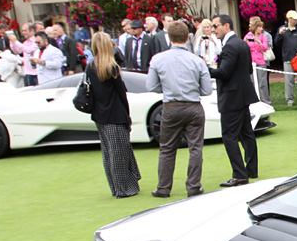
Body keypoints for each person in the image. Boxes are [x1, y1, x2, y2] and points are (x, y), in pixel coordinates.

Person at [146, 20, 212, 199]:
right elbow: (207, 89)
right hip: (193, 106)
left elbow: (151, 85)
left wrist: (168, 88)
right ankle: (193, 186)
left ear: (168, 37)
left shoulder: (158, 59)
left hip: (171, 106)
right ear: (187, 37)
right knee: (195, 148)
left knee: (167, 148)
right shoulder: (197, 60)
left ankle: (163, 187)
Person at [86, 32, 140, 198]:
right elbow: (121, 95)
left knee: (109, 153)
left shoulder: (90, 67)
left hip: (100, 115)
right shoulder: (112, 67)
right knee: (119, 152)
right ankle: (123, 188)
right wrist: (127, 115)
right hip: (115, 114)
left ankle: (117, 187)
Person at [208, 14, 259, 186]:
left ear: (226, 26)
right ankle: (251, 169)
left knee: (229, 136)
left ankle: (239, 174)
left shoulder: (231, 46)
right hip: (241, 95)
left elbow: (223, 73)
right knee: (246, 133)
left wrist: (203, 69)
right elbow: (247, 70)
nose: (214, 30)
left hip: (232, 97)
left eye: (216, 26)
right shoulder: (240, 43)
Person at [274, 10, 297, 106]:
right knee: (289, 80)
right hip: (288, 58)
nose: (296, 21)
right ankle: (289, 99)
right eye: (294, 19)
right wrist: (279, 34)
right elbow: (276, 44)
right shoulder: (282, 30)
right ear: (289, 19)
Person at [243, 16, 272, 105]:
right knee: (252, 82)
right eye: (259, 27)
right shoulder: (248, 36)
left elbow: (265, 48)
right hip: (251, 61)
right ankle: (254, 101)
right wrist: (246, 41)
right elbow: (244, 47)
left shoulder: (263, 37)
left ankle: (266, 101)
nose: (261, 29)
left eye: (261, 27)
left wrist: (258, 42)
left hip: (261, 61)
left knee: (262, 83)